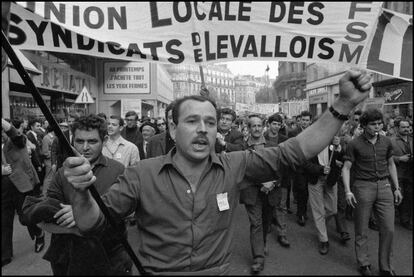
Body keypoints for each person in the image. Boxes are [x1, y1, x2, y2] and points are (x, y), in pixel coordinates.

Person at [63, 69, 372, 274]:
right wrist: (80, 195)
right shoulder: (141, 173)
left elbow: (295, 150)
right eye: (192, 121)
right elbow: (93, 222)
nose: (202, 130)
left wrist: (343, 104)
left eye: (209, 123)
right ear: (172, 127)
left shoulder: (234, 165)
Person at [22, 114, 132, 275]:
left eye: (92, 141)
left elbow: (125, 216)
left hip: (111, 258)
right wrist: (74, 228)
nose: (85, 147)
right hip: (67, 258)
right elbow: (42, 218)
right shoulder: (62, 173)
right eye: (80, 141)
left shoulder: (118, 171)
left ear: (105, 140)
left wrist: (82, 214)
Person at [342, 108, 403, 276]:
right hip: (363, 187)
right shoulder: (354, 144)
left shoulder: (387, 141)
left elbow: (391, 165)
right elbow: (346, 168)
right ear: (364, 125)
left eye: (379, 123)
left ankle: (385, 267)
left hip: (384, 186)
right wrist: (348, 191)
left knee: (389, 229)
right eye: (373, 124)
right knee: (361, 228)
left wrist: (396, 188)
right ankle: (364, 263)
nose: (377, 127)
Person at [240, 114, 290, 274]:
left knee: (266, 221)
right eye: (253, 126)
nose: (256, 129)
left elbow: (281, 169)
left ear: (263, 127)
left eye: (258, 126)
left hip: (270, 191)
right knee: (256, 223)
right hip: (251, 191)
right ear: (248, 128)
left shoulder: (271, 146)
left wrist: (272, 183)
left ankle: (262, 243)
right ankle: (258, 258)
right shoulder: (242, 148)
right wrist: (260, 182)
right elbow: (241, 171)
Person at [2, 118, 45, 267]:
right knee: (4, 221)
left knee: (25, 217)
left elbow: (16, 134)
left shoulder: (16, 141)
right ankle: (5, 255)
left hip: (20, 187)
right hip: (3, 189)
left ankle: (39, 234)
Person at [288, 110, 313, 226]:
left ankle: (304, 210)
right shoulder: (293, 133)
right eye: (303, 120)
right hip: (299, 166)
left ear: (310, 121)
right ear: (299, 121)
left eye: (307, 120)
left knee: (308, 191)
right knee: (301, 189)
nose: (305, 122)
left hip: (312, 166)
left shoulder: (314, 132)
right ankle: (301, 214)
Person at [391, 118, 412, 230]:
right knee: (398, 198)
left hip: (410, 174)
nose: (406, 129)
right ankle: (388, 219)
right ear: (397, 128)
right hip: (398, 174)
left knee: (409, 198)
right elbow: (386, 158)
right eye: (403, 127)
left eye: (407, 127)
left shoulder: (411, 139)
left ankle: (406, 220)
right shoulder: (391, 141)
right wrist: (399, 158)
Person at [41, 125, 56, 195]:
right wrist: (54, 154)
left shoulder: (53, 137)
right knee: (48, 178)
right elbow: (45, 152)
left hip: (52, 161)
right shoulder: (46, 138)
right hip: (49, 161)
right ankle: (44, 194)